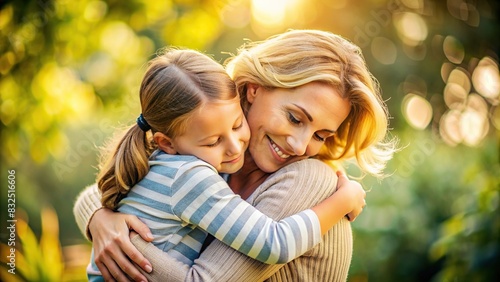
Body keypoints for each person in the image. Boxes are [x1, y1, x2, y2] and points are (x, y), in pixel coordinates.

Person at [74, 29, 396, 281]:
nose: (300, 146)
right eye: (295, 118)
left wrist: (125, 243)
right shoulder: (219, 153)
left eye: (320, 136)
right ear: (255, 88)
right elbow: (116, 183)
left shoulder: (305, 178)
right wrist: (101, 219)